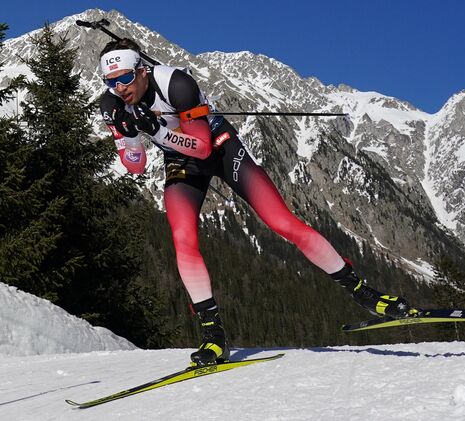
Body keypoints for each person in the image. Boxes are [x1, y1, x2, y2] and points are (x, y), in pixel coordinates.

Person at [98, 38, 417, 366]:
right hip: (180, 162)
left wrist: (158, 131)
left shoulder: (177, 83)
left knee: (282, 223)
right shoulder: (111, 106)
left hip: (220, 147)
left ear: (142, 72)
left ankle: (364, 293)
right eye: (110, 82)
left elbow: (203, 147)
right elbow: (134, 165)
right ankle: (214, 338)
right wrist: (132, 137)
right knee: (182, 240)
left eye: (124, 78)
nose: (119, 88)